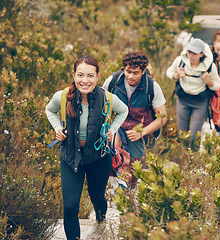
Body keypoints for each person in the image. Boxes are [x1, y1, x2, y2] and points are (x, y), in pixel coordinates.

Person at [45, 56, 129, 240]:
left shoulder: (107, 97)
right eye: (80, 75)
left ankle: (101, 218)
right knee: (70, 206)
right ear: (74, 75)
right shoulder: (61, 96)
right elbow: (49, 111)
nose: (85, 80)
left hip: (99, 157)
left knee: (97, 197)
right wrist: (58, 128)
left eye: (90, 75)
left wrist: (112, 131)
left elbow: (124, 111)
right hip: (70, 156)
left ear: (98, 76)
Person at [103, 51, 167, 173]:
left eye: (135, 73)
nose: (131, 76)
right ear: (124, 69)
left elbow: (162, 118)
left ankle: (130, 189)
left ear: (143, 71)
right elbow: (100, 104)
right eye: (128, 71)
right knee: (113, 156)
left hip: (138, 129)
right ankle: (113, 187)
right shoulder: (113, 81)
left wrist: (142, 132)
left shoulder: (152, 87)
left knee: (133, 168)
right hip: (118, 125)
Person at [166, 38, 220, 145]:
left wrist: (208, 81)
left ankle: (193, 156)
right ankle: (182, 157)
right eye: (189, 52)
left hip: (200, 102)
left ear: (201, 54)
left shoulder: (210, 66)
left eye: (194, 53)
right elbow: (169, 72)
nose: (190, 55)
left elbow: (217, 85)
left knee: (194, 137)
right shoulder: (180, 61)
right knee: (182, 134)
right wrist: (176, 76)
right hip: (183, 99)